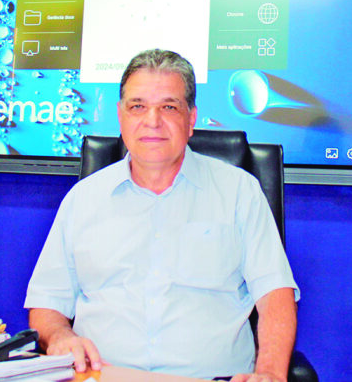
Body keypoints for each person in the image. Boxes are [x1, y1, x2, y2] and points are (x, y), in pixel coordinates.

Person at [24, 49, 299, 382]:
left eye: (169, 107)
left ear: (191, 118)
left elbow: (275, 295)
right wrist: (59, 336)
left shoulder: (239, 191)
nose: (152, 121)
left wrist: (269, 373)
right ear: (120, 115)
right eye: (137, 106)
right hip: (101, 376)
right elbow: (47, 302)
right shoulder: (83, 199)